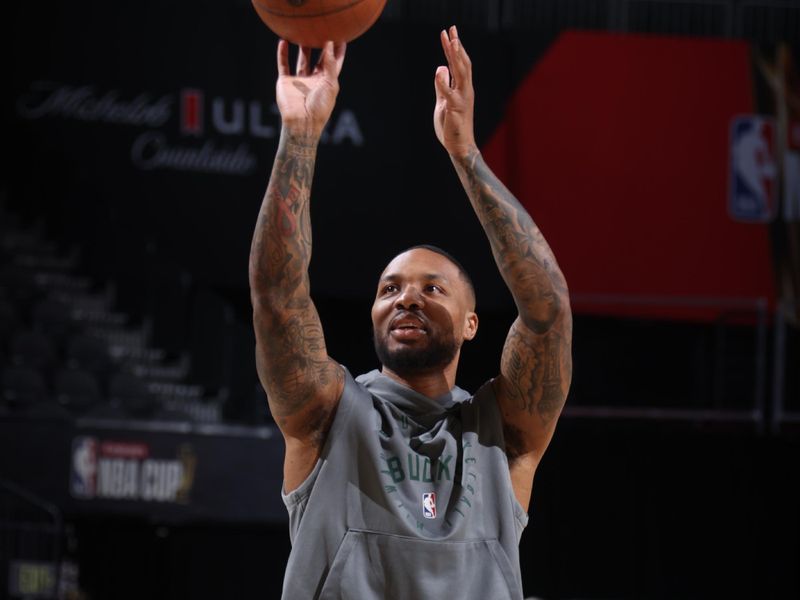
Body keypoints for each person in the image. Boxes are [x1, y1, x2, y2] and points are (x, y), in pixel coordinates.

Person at [249, 25, 572, 600]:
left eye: (433, 288)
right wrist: (298, 137)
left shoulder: (507, 432)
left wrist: (467, 155)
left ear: (474, 324)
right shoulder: (327, 412)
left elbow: (547, 310)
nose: (406, 298)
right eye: (389, 288)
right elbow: (277, 298)